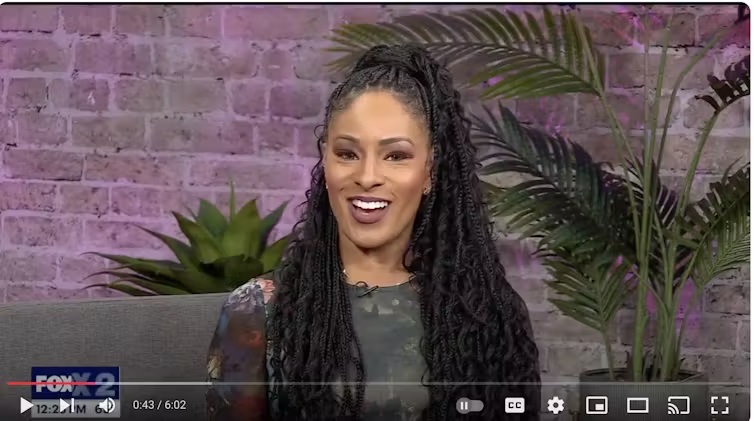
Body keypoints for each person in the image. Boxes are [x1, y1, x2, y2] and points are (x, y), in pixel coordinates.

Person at [205, 44, 541, 421]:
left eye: (396, 156)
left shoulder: (489, 313)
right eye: (347, 154)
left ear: (430, 170)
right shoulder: (255, 312)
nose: (367, 177)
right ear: (325, 159)